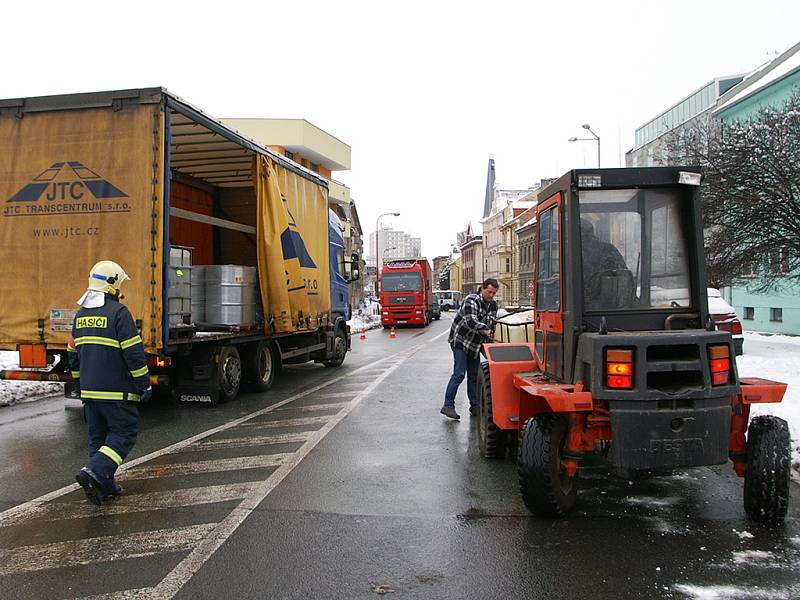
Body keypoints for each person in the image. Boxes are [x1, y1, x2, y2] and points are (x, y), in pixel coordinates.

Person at [68, 260, 151, 505]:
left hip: (90, 393)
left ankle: (104, 485)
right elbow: (133, 354)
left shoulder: (80, 316)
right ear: (112, 284)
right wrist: (143, 384)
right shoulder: (119, 313)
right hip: (116, 392)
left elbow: (73, 355)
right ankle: (95, 472)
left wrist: (80, 385)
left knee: (98, 439)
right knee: (124, 433)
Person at [441, 278, 499, 420]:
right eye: (489, 292)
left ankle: (475, 407)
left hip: (475, 345)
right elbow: (470, 321)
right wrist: (485, 330)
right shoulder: (471, 300)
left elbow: (492, 324)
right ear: (482, 289)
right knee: (459, 373)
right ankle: (448, 405)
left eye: (494, 293)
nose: (491, 295)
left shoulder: (493, 305)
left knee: (474, 376)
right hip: (460, 341)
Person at [580, 218, 629, 308]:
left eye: (587, 232)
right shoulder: (610, 249)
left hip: (590, 305)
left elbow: (623, 275)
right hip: (613, 304)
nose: (585, 235)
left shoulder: (571, 250)